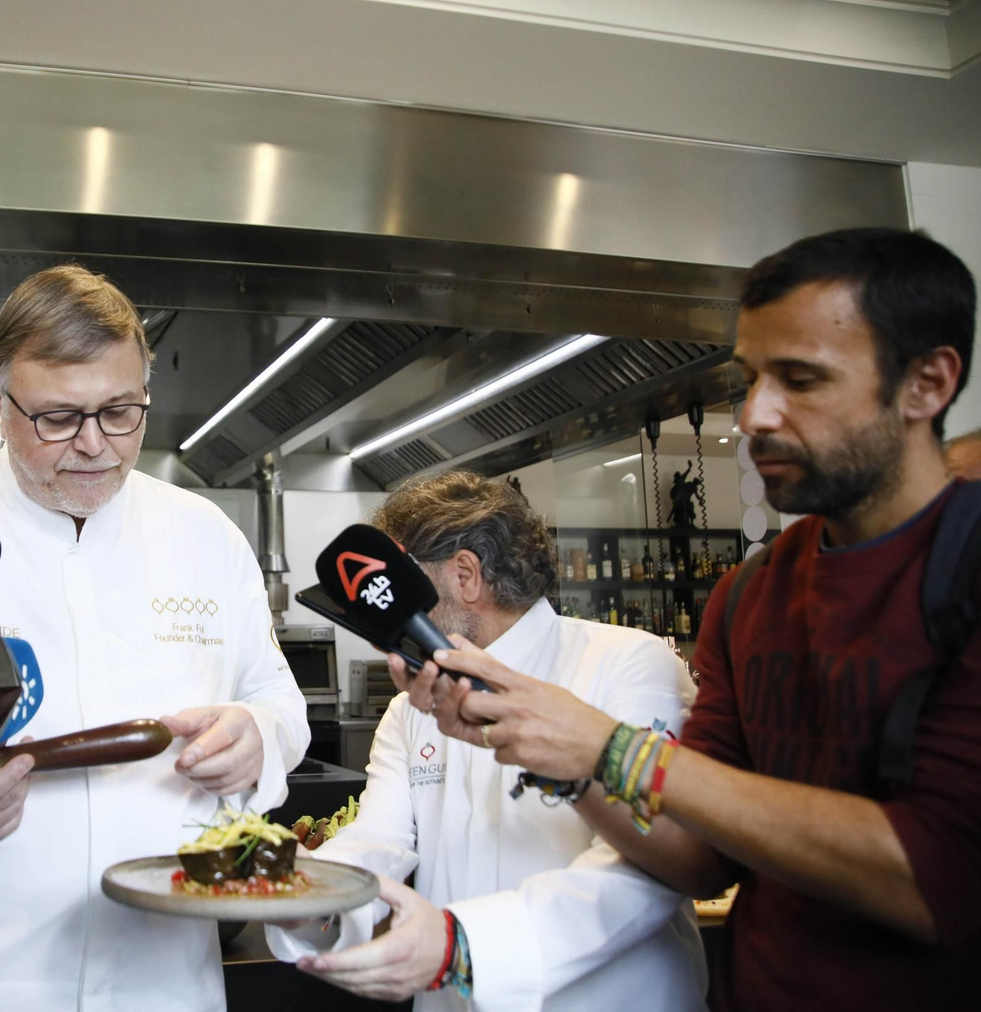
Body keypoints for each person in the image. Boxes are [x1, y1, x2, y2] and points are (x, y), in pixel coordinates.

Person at [414, 228, 979, 1010]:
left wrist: (613, 749)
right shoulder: (754, 595)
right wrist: (558, 756)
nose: (754, 415)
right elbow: (702, 859)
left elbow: (937, 878)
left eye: (801, 379)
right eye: (751, 378)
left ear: (928, 383)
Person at [0, 264, 310, 1011]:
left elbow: (276, 699)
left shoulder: (203, 535)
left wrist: (258, 734)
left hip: (161, 979)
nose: (95, 445)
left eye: (122, 411)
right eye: (58, 418)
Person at [266, 472, 705, 1010]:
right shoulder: (410, 709)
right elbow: (380, 839)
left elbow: (646, 864)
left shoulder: (628, 664)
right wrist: (309, 893)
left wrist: (466, 944)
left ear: (466, 575)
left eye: (400, 586)